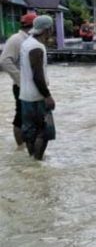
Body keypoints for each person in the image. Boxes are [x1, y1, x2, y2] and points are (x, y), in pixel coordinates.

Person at [19, 15, 56, 160]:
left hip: (25, 96)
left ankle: (33, 162)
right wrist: (47, 95)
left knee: (30, 132)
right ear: (47, 29)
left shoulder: (26, 43)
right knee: (44, 132)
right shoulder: (37, 47)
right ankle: (37, 161)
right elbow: (38, 76)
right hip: (37, 97)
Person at [0, 13, 36, 147]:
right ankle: (20, 147)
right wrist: (21, 79)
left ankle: (27, 146)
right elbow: (4, 61)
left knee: (31, 117)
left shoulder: (30, 40)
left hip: (32, 86)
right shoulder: (16, 40)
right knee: (21, 116)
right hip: (21, 86)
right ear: (32, 26)